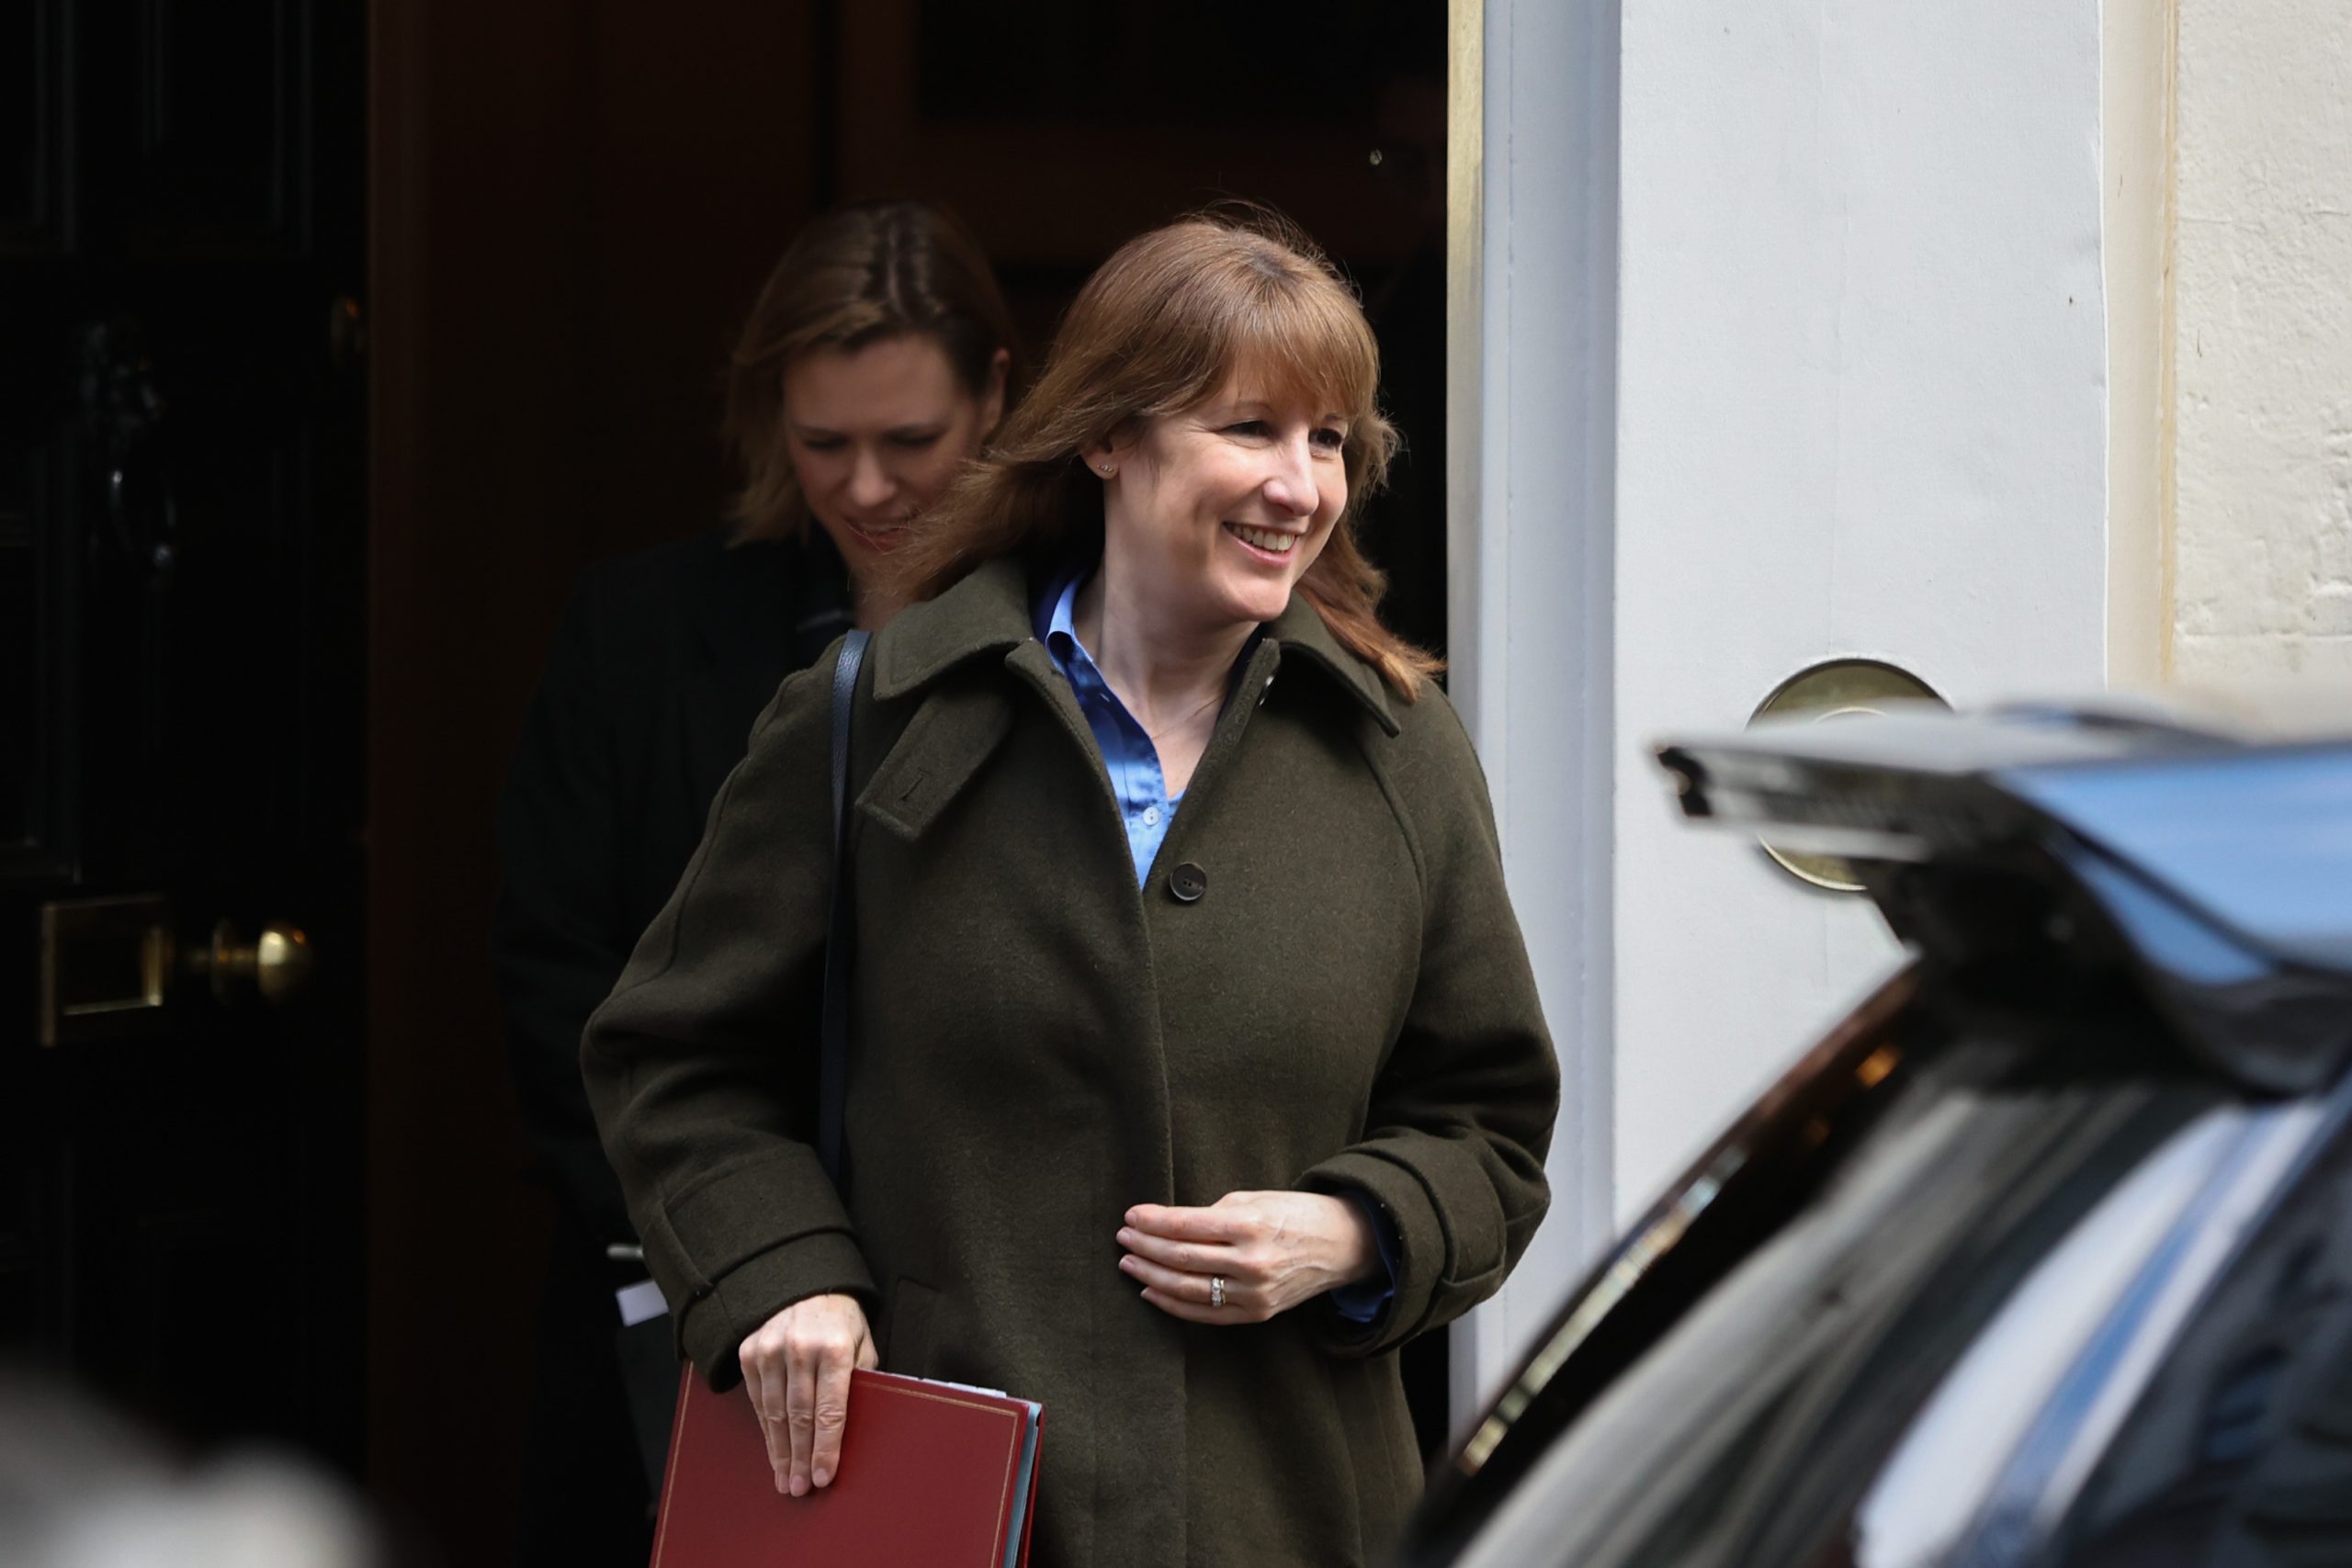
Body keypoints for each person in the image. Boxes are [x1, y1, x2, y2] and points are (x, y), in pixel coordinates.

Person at [582, 209, 1558, 1568]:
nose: (1299, 485)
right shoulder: (877, 713)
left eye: (1328, 439)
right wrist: (781, 1270)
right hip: (932, 1515)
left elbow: (1492, 1131)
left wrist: (1350, 1228)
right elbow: (673, 1053)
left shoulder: (1402, 752)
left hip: (1284, 1519)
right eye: (1249, 428)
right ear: (1107, 435)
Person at [492, 199, 1016, 1564]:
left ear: (998, 400)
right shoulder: (639, 634)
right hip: (676, 1299)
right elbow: (559, 979)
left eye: (912, 442)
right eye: (821, 442)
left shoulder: (1081, 633)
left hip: (984, 1300)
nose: (864, 489)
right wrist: (741, 1253)